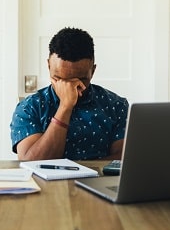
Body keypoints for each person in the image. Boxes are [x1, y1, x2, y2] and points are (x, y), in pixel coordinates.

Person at [10, 27, 129, 160]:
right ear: (49, 66)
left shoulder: (116, 106)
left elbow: (123, 161)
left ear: (93, 71)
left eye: (80, 80)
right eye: (59, 79)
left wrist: (82, 172)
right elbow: (30, 163)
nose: (69, 87)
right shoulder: (29, 107)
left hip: (97, 180)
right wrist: (65, 106)